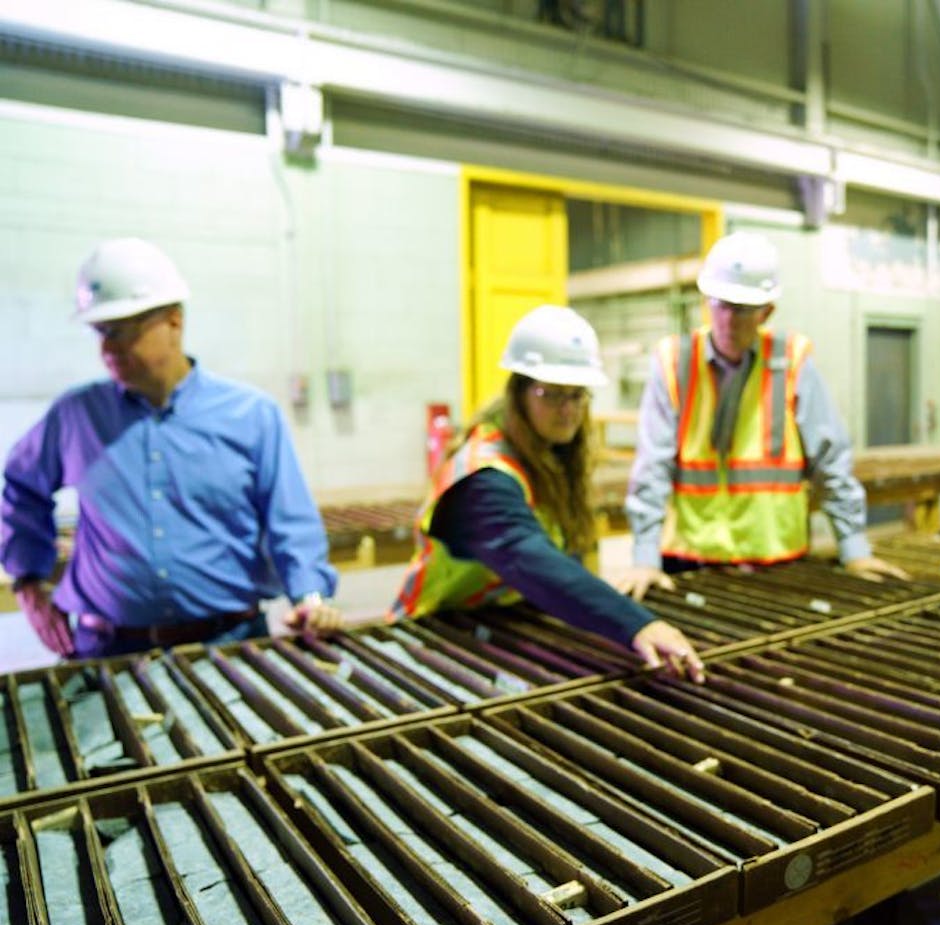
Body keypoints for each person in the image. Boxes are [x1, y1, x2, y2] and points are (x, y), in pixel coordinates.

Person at [2, 237, 342, 661]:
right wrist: (28, 581)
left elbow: (289, 520)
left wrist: (309, 596)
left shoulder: (251, 416)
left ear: (174, 322)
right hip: (109, 649)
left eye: (125, 331)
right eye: (102, 332)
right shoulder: (77, 417)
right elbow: (20, 486)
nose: (108, 348)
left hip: (229, 645)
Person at [389, 305, 705, 682]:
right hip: (433, 637)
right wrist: (637, 625)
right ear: (519, 392)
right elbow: (531, 560)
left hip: (501, 621)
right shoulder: (484, 477)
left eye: (577, 396)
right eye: (552, 394)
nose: (568, 410)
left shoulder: (546, 453)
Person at [615, 231, 908, 600]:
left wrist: (854, 548)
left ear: (766, 312)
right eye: (720, 305)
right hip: (688, 558)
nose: (727, 320)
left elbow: (830, 459)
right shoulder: (675, 363)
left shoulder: (792, 362)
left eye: (741, 310)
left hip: (776, 557)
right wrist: (645, 556)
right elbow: (652, 466)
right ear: (706, 300)